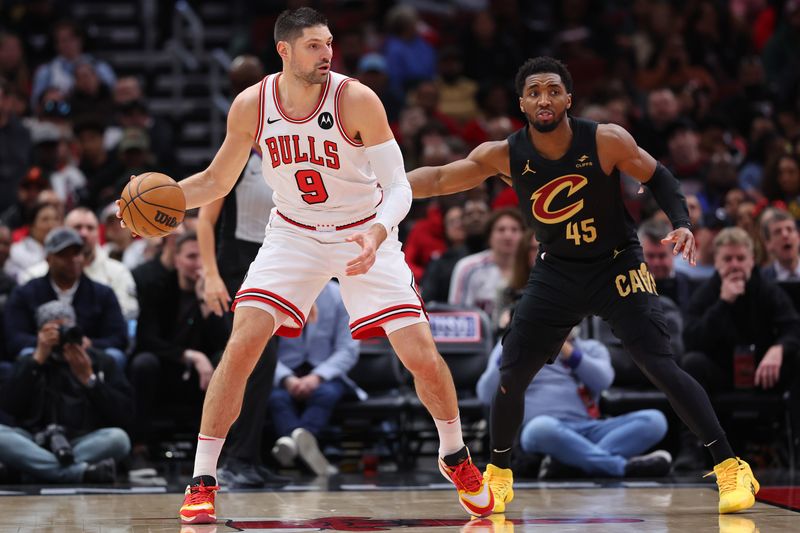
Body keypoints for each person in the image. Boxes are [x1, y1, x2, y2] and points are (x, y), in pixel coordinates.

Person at [119, 8, 492, 524]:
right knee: (243, 340)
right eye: (314, 45)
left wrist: (379, 231)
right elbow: (214, 182)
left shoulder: (356, 99)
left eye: (329, 44)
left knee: (420, 353)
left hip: (365, 227)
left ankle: (454, 454)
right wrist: (164, 205)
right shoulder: (252, 104)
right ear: (285, 51)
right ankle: (204, 477)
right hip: (293, 232)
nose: (326, 54)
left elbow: (400, 185)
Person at [408, 56, 759, 515]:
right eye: (534, 92)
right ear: (522, 103)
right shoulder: (505, 153)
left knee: (660, 364)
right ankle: (499, 472)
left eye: (553, 90)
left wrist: (682, 223)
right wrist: (380, 189)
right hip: (558, 270)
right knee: (513, 370)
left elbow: (659, 176)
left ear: (568, 98)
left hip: (616, 265)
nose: (544, 98)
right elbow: (437, 179)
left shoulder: (606, 139)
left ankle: (731, 466)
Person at [196, 54, 288, 490]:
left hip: (281, 256)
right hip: (236, 262)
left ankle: (247, 456)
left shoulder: (285, 149)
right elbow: (204, 220)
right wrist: (211, 276)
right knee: (249, 360)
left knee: (266, 366)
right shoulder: (234, 151)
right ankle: (229, 460)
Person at [679, 228, 800, 470]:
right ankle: (691, 448)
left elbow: (793, 328)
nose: (735, 265)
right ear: (717, 262)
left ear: (752, 260)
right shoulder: (706, 293)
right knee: (692, 363)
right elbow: (691, 339)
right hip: (721, 373)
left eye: (741, 259)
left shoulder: (767, 290)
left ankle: (795, 445)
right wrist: (723, 303)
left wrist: (779, 349)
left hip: (763, 373)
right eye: (728, 259)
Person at [477, 331, 671, 479]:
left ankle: (569, 462)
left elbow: (604, 381)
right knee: (540, 428)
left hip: (589, 429)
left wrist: (566, 350)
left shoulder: (591, 348)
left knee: (655, 420)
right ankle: (620, 467)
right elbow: (485, 394)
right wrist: (509, 351)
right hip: (544, 431)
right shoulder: (513, 345)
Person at [0, 300, 132, 484]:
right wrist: (36, 361)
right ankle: (80, 473)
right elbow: (9, 406)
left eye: (67, 329)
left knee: (119, 439)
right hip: (35, 440)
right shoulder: (29, 361)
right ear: (40, 334)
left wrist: (89, 379)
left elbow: (124, 414)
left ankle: (29, 471)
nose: (61, 337)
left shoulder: (99, 361)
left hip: (81, 440)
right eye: (53, 331)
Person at [269, 281, 359, 476]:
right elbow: (264, 349)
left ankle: (291, 443)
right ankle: (306, 449)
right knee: (276, 398)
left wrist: (317, 377)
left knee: (326, 394)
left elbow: (348, 349)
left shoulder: (341, 296)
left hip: (324, 373)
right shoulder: (277, 291)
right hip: (284, 372)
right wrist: (285, 377)